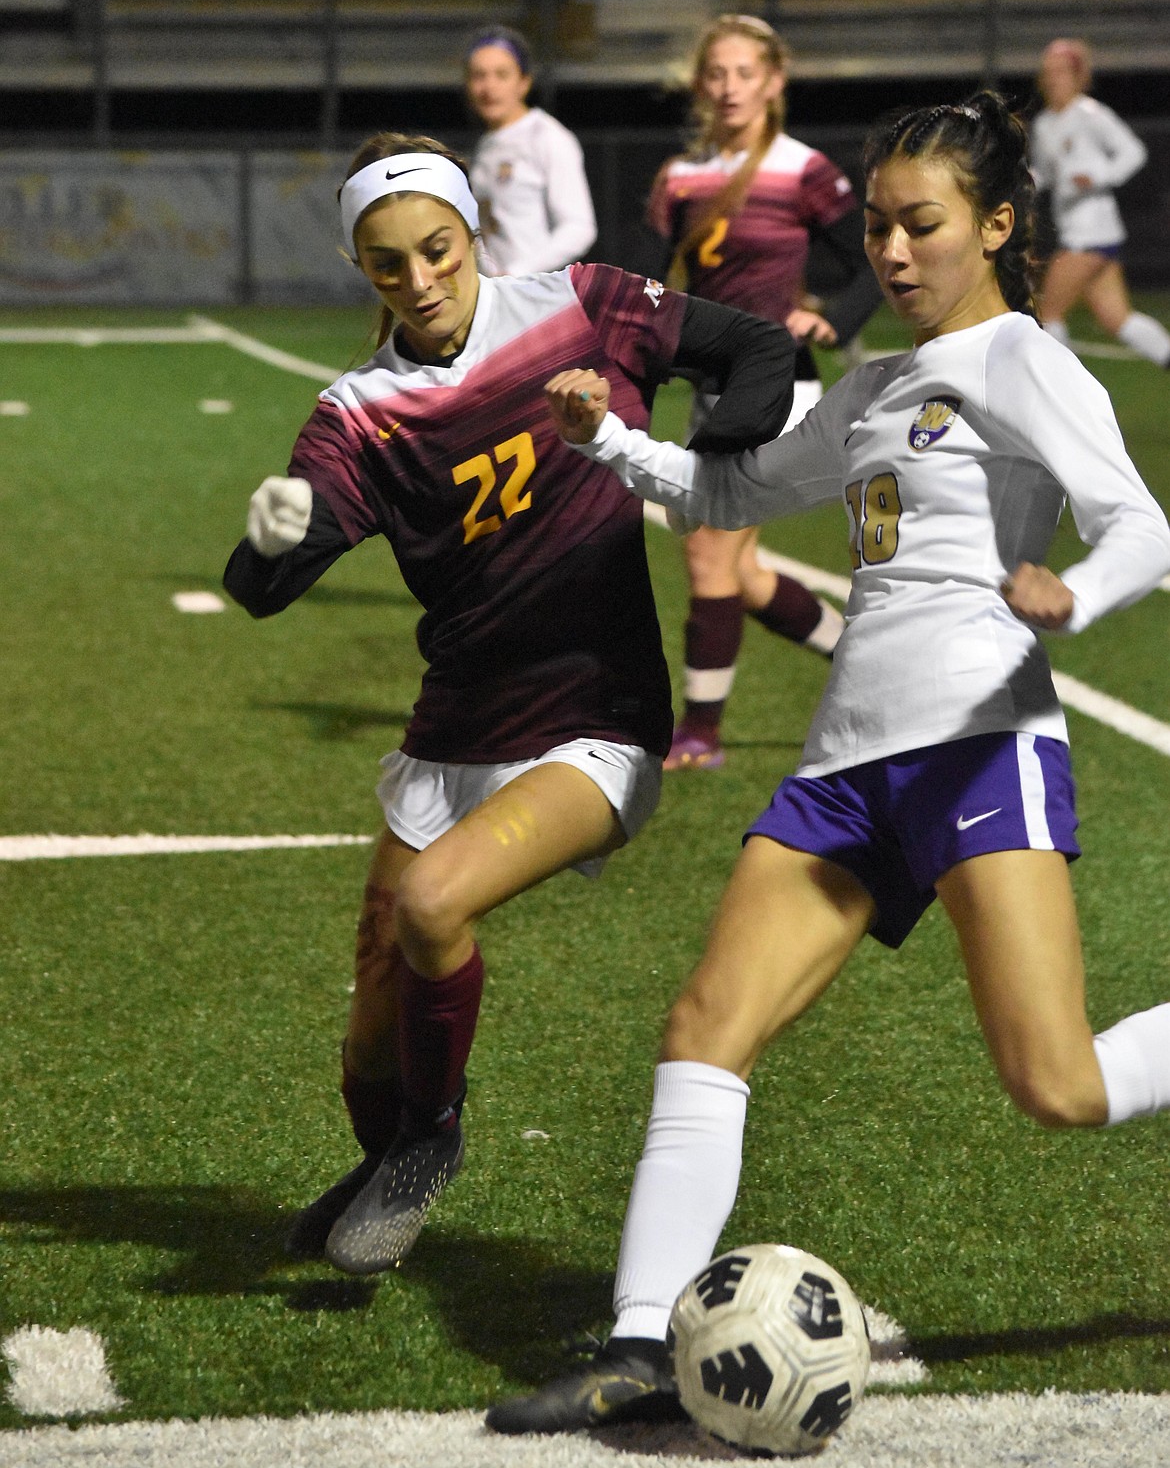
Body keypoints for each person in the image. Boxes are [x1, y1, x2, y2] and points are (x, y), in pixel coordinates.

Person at [485, 90, 1170, 1434]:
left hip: (978, 747)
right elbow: (733, 495)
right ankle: (639, 1339)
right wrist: (606, 441)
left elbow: (1141, 523)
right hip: (842, 771)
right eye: (881, 228)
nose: (895, 253)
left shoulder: (1025, 360)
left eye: (923, 225)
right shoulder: (869, 387)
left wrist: (1070, 601)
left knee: (1056, 1083)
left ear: (997, 223)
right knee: (704, 1028)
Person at [223, 132, 798, 1277]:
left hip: (597, 715)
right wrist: (268, 541)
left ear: (470, 228)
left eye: (437, 248)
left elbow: (755, 350)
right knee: (370, 1021)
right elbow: (264, 588)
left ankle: (429, 1145)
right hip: (453, 730)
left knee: (435, 905)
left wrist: (709, 467)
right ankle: (388, 1149)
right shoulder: (358, 412)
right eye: (388, 266)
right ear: (364, 272)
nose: (421, 281)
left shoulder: (580, 307)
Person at [640, 14, 882, 771]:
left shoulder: (804, 168)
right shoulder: (680, 176)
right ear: (700, 83)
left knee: (709, 556)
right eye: (717, 73)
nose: (730, 87)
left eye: (746, 73)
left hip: (780, 388)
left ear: (774, 82)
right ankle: (876, 670)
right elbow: (648, 290)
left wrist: (831, 319)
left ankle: (699, 734)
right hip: (714, 394)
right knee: (740, 574)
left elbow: (873, 260)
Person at [1032, 37, 1170, 368]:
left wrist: (1098, 177)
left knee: (1048, 311)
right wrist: (1020, 183)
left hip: (1091, 232)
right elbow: (1046, 175)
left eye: (1061, 71)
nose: (1053, 78)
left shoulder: (1090, 114)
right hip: (1080, 232)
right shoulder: (1044, 123)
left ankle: (1064, 390)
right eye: (1049, 71)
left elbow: (1133, 152)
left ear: (1078, 75)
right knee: (1117, 319)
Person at [466, 26, 597, 275]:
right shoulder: (486, 144)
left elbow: (579, 228)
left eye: (501, 75)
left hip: (535, 296)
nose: (488, 86)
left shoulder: (547, 137)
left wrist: (518, 274)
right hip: (498, 296)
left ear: (524, 82)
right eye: (478, 75)